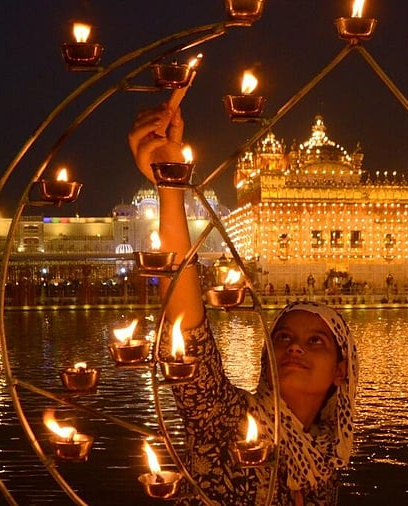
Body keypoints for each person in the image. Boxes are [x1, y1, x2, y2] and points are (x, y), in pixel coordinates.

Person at [128, 102, 358, 505]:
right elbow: (187, 333)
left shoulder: (327, 461)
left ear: (342, 370)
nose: (295, 347)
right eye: (282, 337)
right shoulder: (225, 420)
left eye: (316, 341)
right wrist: (169, 185)